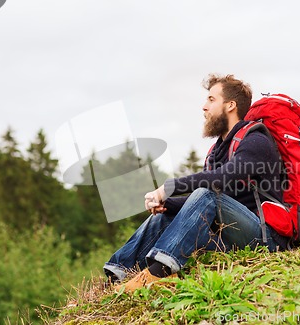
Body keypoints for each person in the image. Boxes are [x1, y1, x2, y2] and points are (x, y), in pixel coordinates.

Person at [103, 74, 290, 292]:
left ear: (230, 105)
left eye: (211, 99)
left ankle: (159, 273)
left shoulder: (256, 141)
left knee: (206, 193)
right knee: (165, 215)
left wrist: (168, 188)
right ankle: (114, 279)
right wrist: (169, 205)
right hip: (230, 238)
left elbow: (220, 181)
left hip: (265, 239)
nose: (204, 107)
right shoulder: (218, 150)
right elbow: (205, 203)